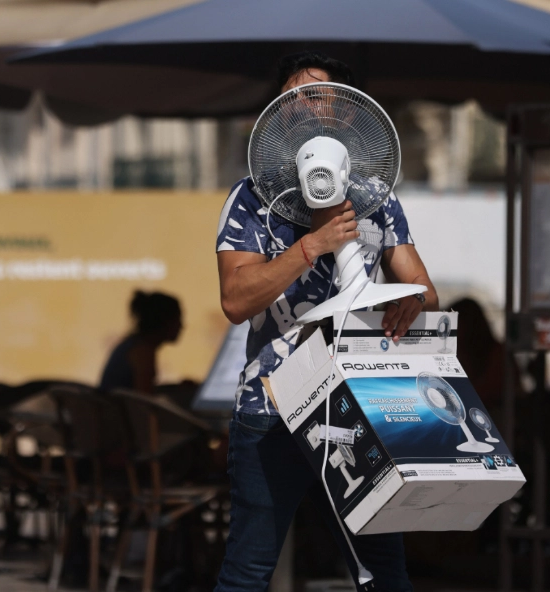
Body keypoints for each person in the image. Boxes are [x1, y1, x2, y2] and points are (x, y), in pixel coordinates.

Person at [214, 51, 439, 592]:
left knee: (382, 572)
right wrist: (312, 246)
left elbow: (424, 289)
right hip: (271, 406)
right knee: (248, 571)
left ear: (349, 114)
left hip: (358, 409)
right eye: (293, 99)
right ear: (276, 118)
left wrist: (411, 301)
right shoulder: (251, 200)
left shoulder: (376, 199)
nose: (306, 108)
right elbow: (236, 299)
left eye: (319, 97)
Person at [100, 290, 183, 394]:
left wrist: (177, 389)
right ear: (165, 322)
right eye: (178, 319)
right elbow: (144, 401)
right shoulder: (143, 352)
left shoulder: (133, 345)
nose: (181, 326)